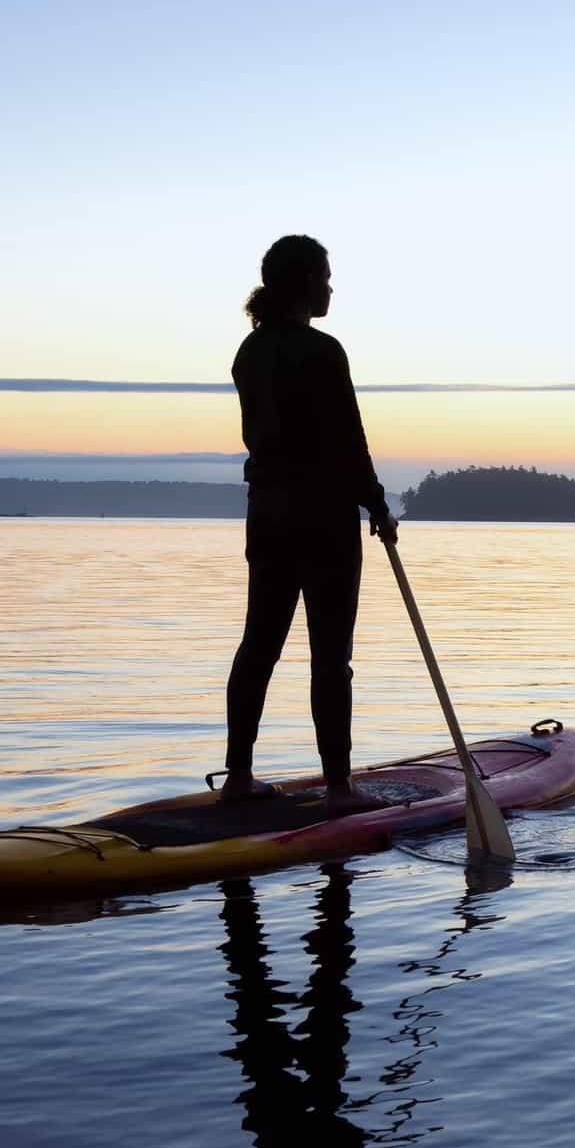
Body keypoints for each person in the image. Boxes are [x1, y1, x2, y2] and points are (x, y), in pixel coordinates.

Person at [221, 235, 398, 815]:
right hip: (321, 516)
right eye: (324, 276)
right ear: (301, 284)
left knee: (259, 646)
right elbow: (348, 437)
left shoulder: (250, 352)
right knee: (330, 655)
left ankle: (239, 775)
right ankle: (340, 789)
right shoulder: (322, 351)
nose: (330, 287)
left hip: (267, 513)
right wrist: (375, 502)